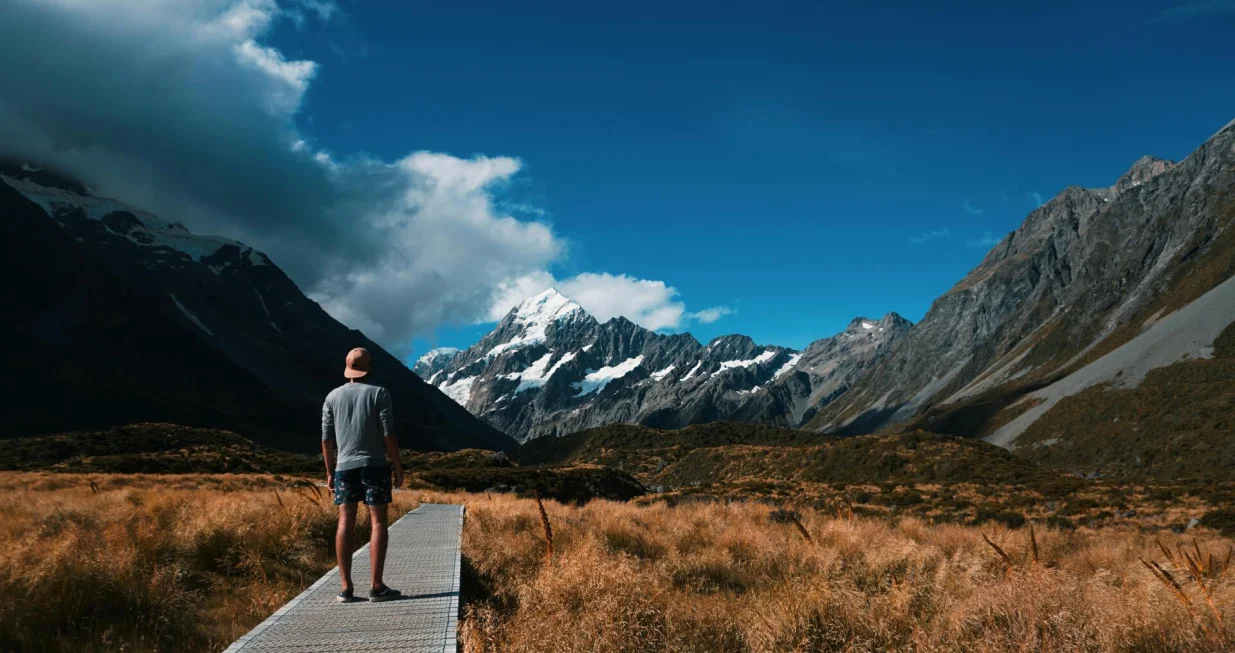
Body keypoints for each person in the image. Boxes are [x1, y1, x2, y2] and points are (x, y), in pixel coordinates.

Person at [321, 347, 405, 603]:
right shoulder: (379, 393)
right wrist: (398, 466)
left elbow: (326, 439)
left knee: (345, 522)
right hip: (375, 466)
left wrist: (329, 472)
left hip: (343, 468)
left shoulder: (332, 397)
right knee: (378, 522)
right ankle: (376, 586)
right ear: (370, 367)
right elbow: (388, 433)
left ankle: (346, 587)